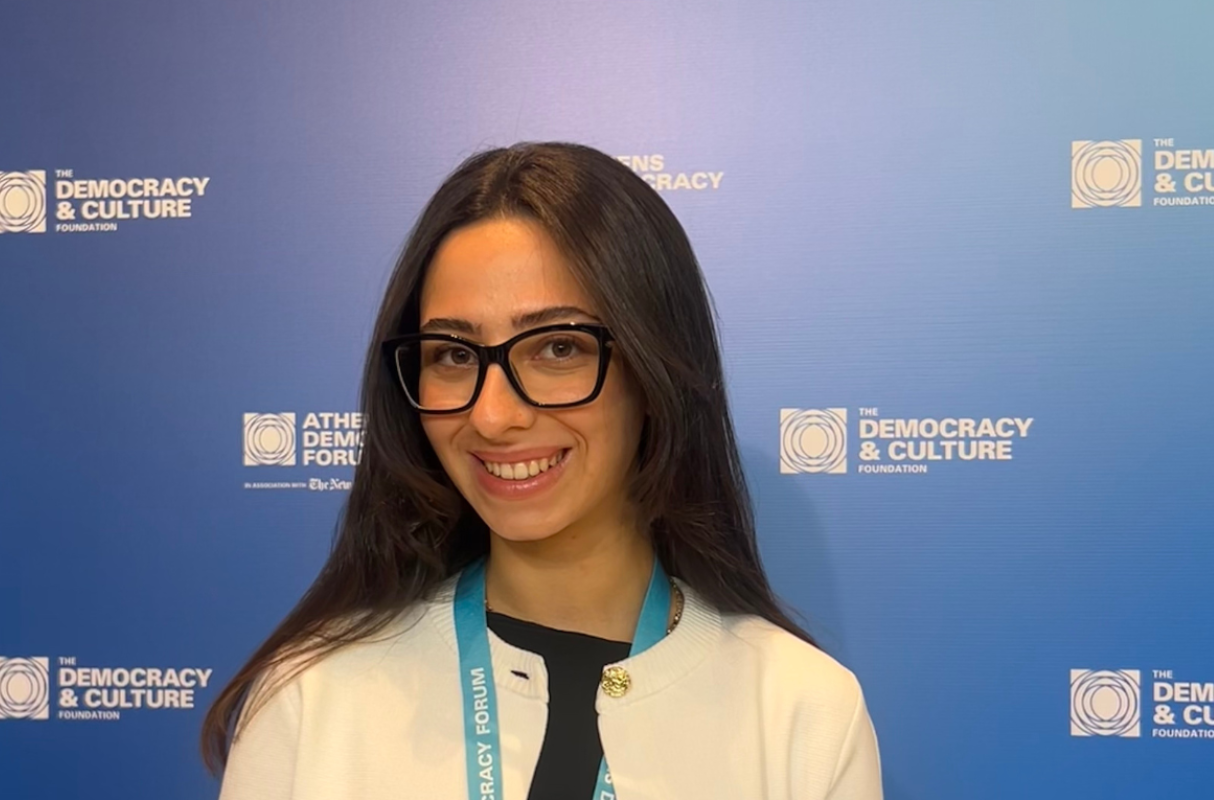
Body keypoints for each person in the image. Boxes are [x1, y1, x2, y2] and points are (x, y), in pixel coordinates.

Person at [203, 141, 882, 799]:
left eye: (558, 348)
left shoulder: (802, 713)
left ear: (655, 372)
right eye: (453, 355)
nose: (493, 416)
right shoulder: (312, 696)